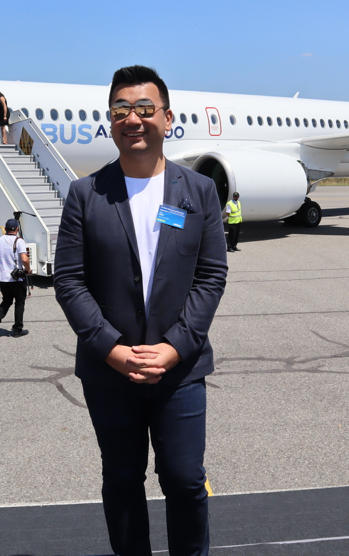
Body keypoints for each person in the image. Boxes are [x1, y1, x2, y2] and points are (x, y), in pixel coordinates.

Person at [54, 65, 228, 556]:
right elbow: (69, 282)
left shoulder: (199, 192)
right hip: (110, 373)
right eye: (121, 110)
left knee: (186, 479)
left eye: (145, 108)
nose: (133, 119)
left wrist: (174, 349)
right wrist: (112, 350)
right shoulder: (85, 195)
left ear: (167, 118)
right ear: (110, 121)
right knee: (123, 481)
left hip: (181, 369)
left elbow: (211, 276)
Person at [0, 218, 32, 338]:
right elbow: (24, 258)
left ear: (5, 229)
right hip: (16, 279)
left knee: (7, 301)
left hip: (3, 279)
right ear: (17, 229)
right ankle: (17, 329)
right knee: (20, 303)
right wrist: (28, 269)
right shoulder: (19, 241)